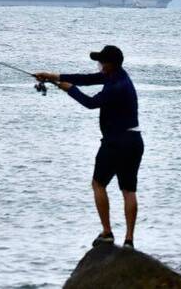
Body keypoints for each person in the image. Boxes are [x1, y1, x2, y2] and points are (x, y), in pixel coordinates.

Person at [35, 45, 144, 249]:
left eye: (101, 61)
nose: (99, 65)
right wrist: (53, 76)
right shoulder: (119, 76)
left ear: (109, 64)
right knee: (129, 190)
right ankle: (129, 240)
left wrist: (69, 89)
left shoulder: (115, 86)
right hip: (134, 141)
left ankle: (107, 232)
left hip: (115, 142)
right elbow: (87, 78)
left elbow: (91, 103)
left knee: (98, 184)